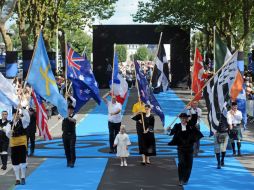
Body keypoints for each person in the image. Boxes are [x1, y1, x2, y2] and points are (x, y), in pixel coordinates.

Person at [167, 113, 203, 186]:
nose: (183, 119)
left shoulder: (190, 125)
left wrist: (191, 110)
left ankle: (186, 179)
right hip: (181, 149)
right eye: (182, 118)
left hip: (189, 149)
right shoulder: (177, 126)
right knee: (181, 163)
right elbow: (171, 133)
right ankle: (181, 179)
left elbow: (194, 118)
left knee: (189, 165)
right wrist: (168, 130)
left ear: (187, 119)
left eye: (184, 118)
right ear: (180, 119)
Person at [5, 108, 30, 185]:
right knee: (15, 162)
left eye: (18, 114)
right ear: (12, 115)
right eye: (14, 114)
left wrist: (23, 109)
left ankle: (23, 177)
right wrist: (9, 132)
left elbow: (28, 119)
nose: (16, 116)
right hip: (14, 144)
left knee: (23, 161)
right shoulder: (9, 124)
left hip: (22, 143)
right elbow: (7, 135)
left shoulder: (23, 121)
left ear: (19, 114)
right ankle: (17, 179)